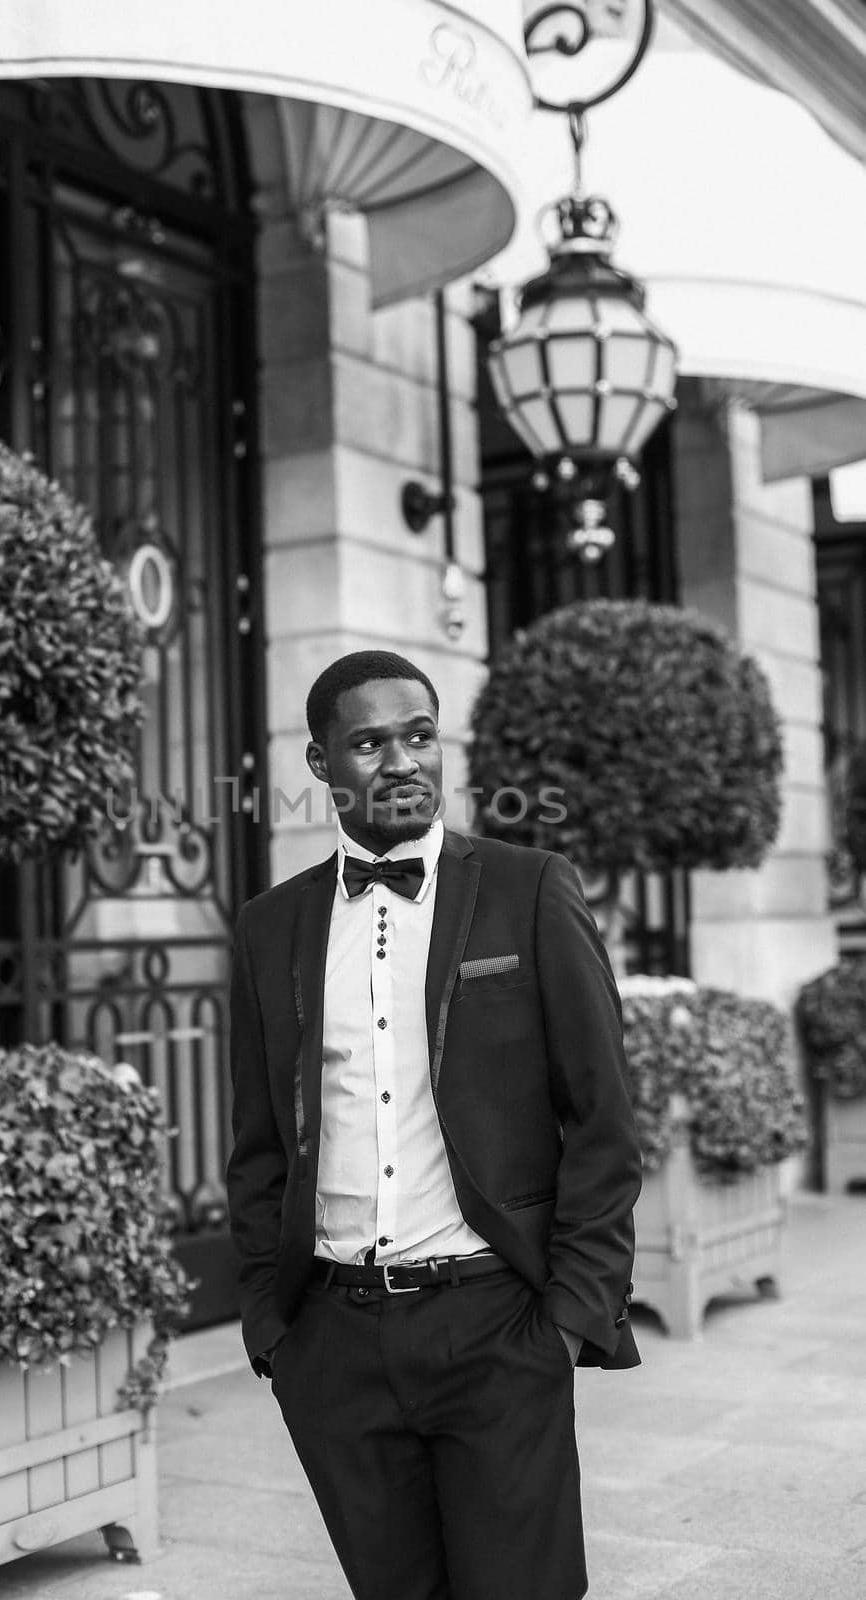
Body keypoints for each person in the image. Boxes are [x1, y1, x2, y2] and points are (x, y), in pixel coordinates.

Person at [227, 649, 641, 1600]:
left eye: (419, 734)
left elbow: (603, 1117)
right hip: (332, 1340)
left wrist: (569, 1318)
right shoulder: (268, 926)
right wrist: (271, 1326)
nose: (403, 761)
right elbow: (258, 1142)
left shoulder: (528, 886)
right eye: (368, 743)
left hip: (493, 1324)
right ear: (321, 764)